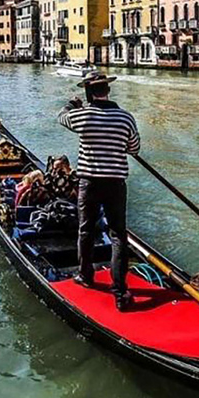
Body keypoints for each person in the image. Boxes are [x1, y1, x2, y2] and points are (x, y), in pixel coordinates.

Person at [58, 72, 141, 311]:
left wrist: (72, 105)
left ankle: (86, 276)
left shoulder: (82, 116)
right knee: (118, 235)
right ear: (109, 90)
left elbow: (62, 118)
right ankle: (120, 290)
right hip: (115, 183)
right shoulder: (126, 118)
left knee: (85, 231)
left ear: (88, 93)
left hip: (90, 182)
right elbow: (134, 148)